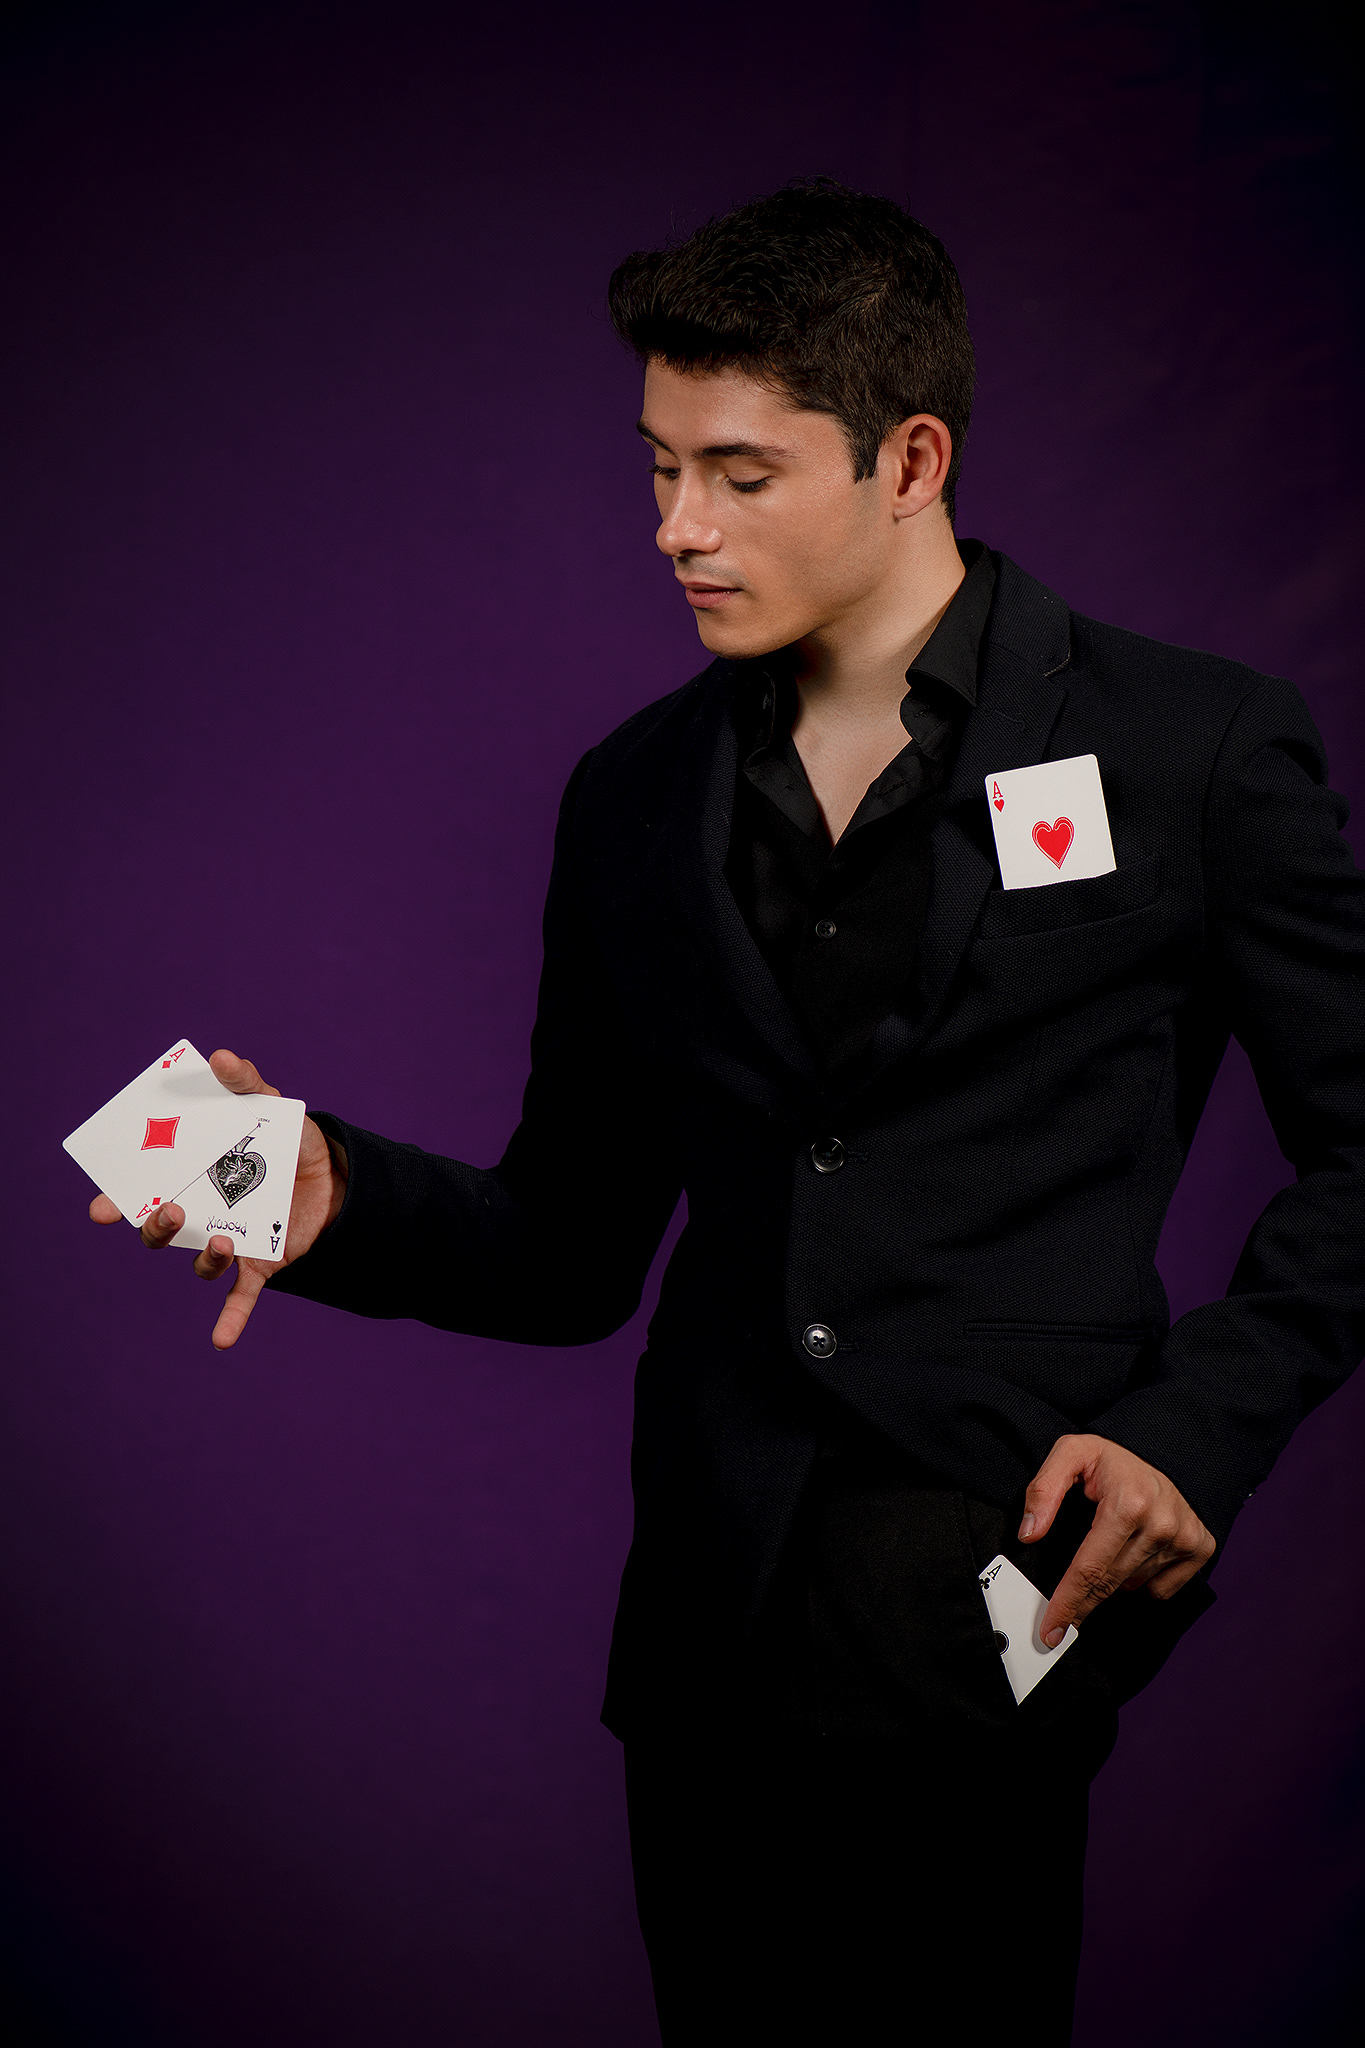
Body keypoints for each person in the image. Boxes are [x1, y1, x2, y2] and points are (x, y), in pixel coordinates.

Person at [89, 180, 1365, 2044]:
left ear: (909, 458)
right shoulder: (631, 797)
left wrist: (1193, 1434)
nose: (676, 526)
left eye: (739, 475)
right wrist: (333, 1193)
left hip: (996, 1606)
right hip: (707, 1640)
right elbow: (568, 1244)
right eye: (658, 466)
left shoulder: (1194, 746)